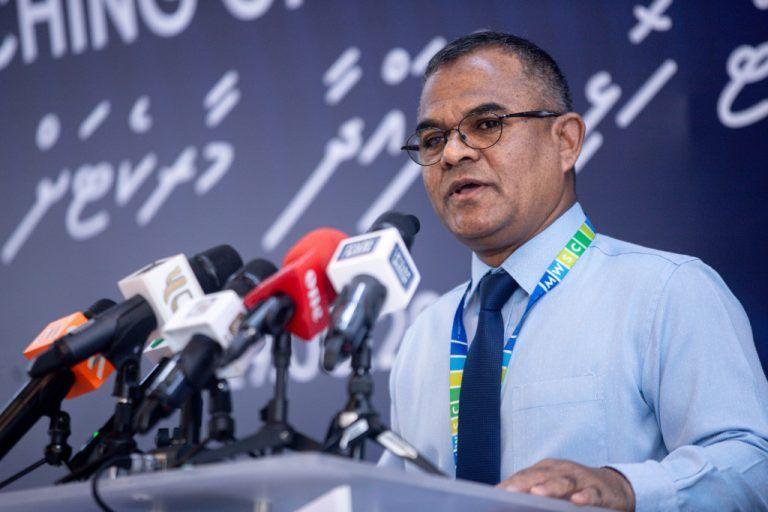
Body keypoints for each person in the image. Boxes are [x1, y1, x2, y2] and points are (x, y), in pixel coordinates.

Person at [378, 31, 768, 511]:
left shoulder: (666, 292)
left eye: (486, 124)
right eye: (433, 139)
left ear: (566, 141)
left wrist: (626, 488)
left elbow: (755, 466)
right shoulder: (424, 336)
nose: (454, 154)